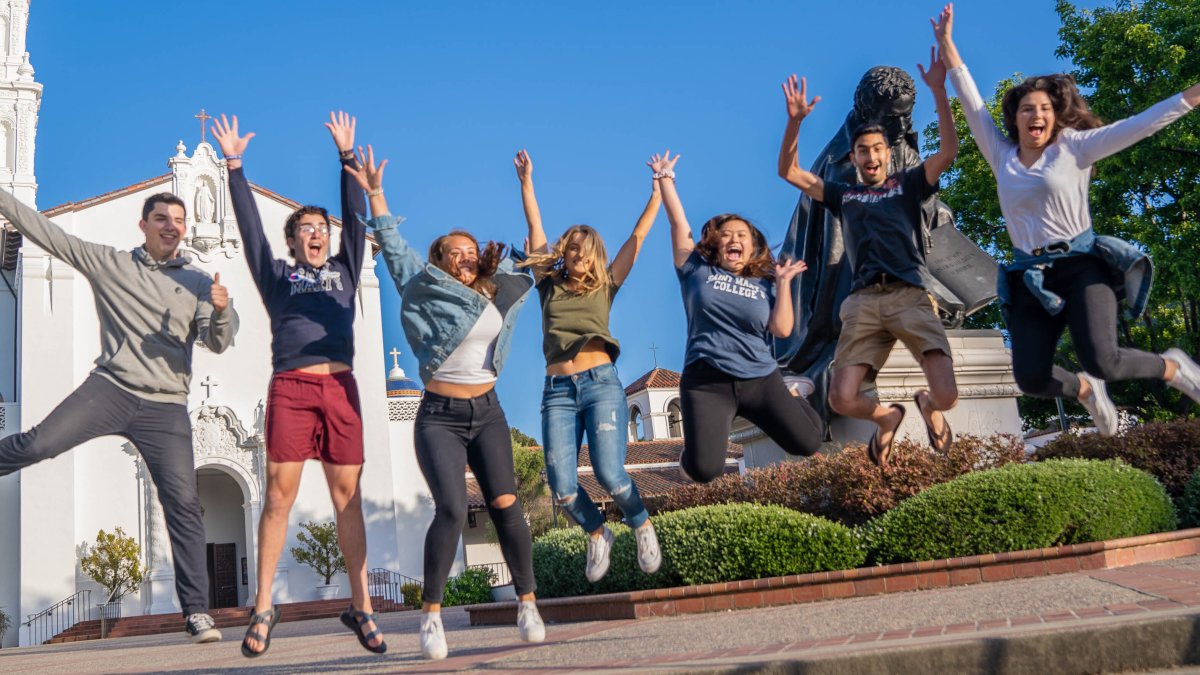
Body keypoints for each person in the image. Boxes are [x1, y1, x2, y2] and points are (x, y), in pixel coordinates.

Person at [934, 3, 1200, 434]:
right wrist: (947, 45)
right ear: (1015, 118)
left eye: (1042, 109)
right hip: (1028, 275)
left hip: (1081, 267)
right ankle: (1083, 391)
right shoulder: (1002, 156)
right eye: (1025, 110)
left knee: (1104, 358)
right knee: (1032, 378)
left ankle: (1173, 367)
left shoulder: (1074, 148)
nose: (1035, 116)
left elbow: (1142, 124)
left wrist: (1192, 96)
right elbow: (971, 103)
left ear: (1054, 116)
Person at [0, 185, 238, 644]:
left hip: (166, 407)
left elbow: (216, 340)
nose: (173, 227)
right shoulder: (111, 263)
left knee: (185, 504)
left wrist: (223, 312)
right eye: (163, 219)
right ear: (144, 225)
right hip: (110, 388)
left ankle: (197, 613)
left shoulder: (199, 283)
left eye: (179, 221)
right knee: (39, 443)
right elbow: (48, 235)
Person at [355, 149, 545, 661]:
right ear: (439, 259)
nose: (464, 254)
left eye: (470, 249)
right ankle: (432, 616)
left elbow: (540, 255)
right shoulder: (423, 285)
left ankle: (528, 603)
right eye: (453, 250)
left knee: (507, 505)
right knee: (452, 509)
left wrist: (527, 186)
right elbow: (394, 248)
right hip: (438, 415)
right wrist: (375, 191)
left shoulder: (497, 289)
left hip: (488, 412)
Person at [211, 112, 385, 657]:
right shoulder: (277, 275)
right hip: (291, 389)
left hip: (341, 390)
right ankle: (263, 608)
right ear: (292, 241)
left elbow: (356, 218)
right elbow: (248, 229)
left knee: (347, 498)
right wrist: (235, 167)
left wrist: (346, 159)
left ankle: (363, 608)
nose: (317, 234)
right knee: (278, 499)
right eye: (305, 229)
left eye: (322, 229)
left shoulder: (346, 268)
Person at [776, 47, 960, 466]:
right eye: (865, 150)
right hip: (863, 300)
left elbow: (947, 152)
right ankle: (887, 418)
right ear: (857, 154)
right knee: (842, 396)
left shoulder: (908, 178)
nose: (875, 155)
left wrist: (940, 90)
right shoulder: (845, 192)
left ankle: (929, 405)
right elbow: (789, 172)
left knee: (946, 394)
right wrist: (794, 123)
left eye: (881, 146)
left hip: (910, 295)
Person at [513, 149, 662, 583]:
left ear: (594, 253)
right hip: (556, 392)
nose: (575, 252)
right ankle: (599, 534)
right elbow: (535, 229)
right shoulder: (548, 284)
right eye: (570, 247)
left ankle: (642, 525)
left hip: (600, 385)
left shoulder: (606, 285)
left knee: (611, 475)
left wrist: (656, 192)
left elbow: (637, 238)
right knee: (561, 487)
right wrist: (526, 182)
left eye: (583, 247)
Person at [650, 151, 824, 483]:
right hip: (707, 381)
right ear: (716, 245)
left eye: (742, 235)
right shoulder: (695, 271)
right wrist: (665, 180)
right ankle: (698, 451)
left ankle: (792, 393)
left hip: (760, 379)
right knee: (705, 469)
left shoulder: (764, 284)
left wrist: (784, 283)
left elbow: (782, 328)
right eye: (727, 235)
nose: (734, 239)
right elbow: (679, 225)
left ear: (752, 245)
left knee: (808, 441)